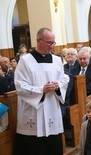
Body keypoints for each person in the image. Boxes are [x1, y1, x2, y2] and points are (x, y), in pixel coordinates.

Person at [14, 27, 69, 155]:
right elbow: (20, 85)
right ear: (38, 40)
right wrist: (41, 90)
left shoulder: (56, 60)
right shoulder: (25, 60)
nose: (52, 46)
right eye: (49, 42)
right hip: (33, 113)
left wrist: (58, 85)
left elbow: (64, 79)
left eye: (53, 42)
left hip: (52, 109)